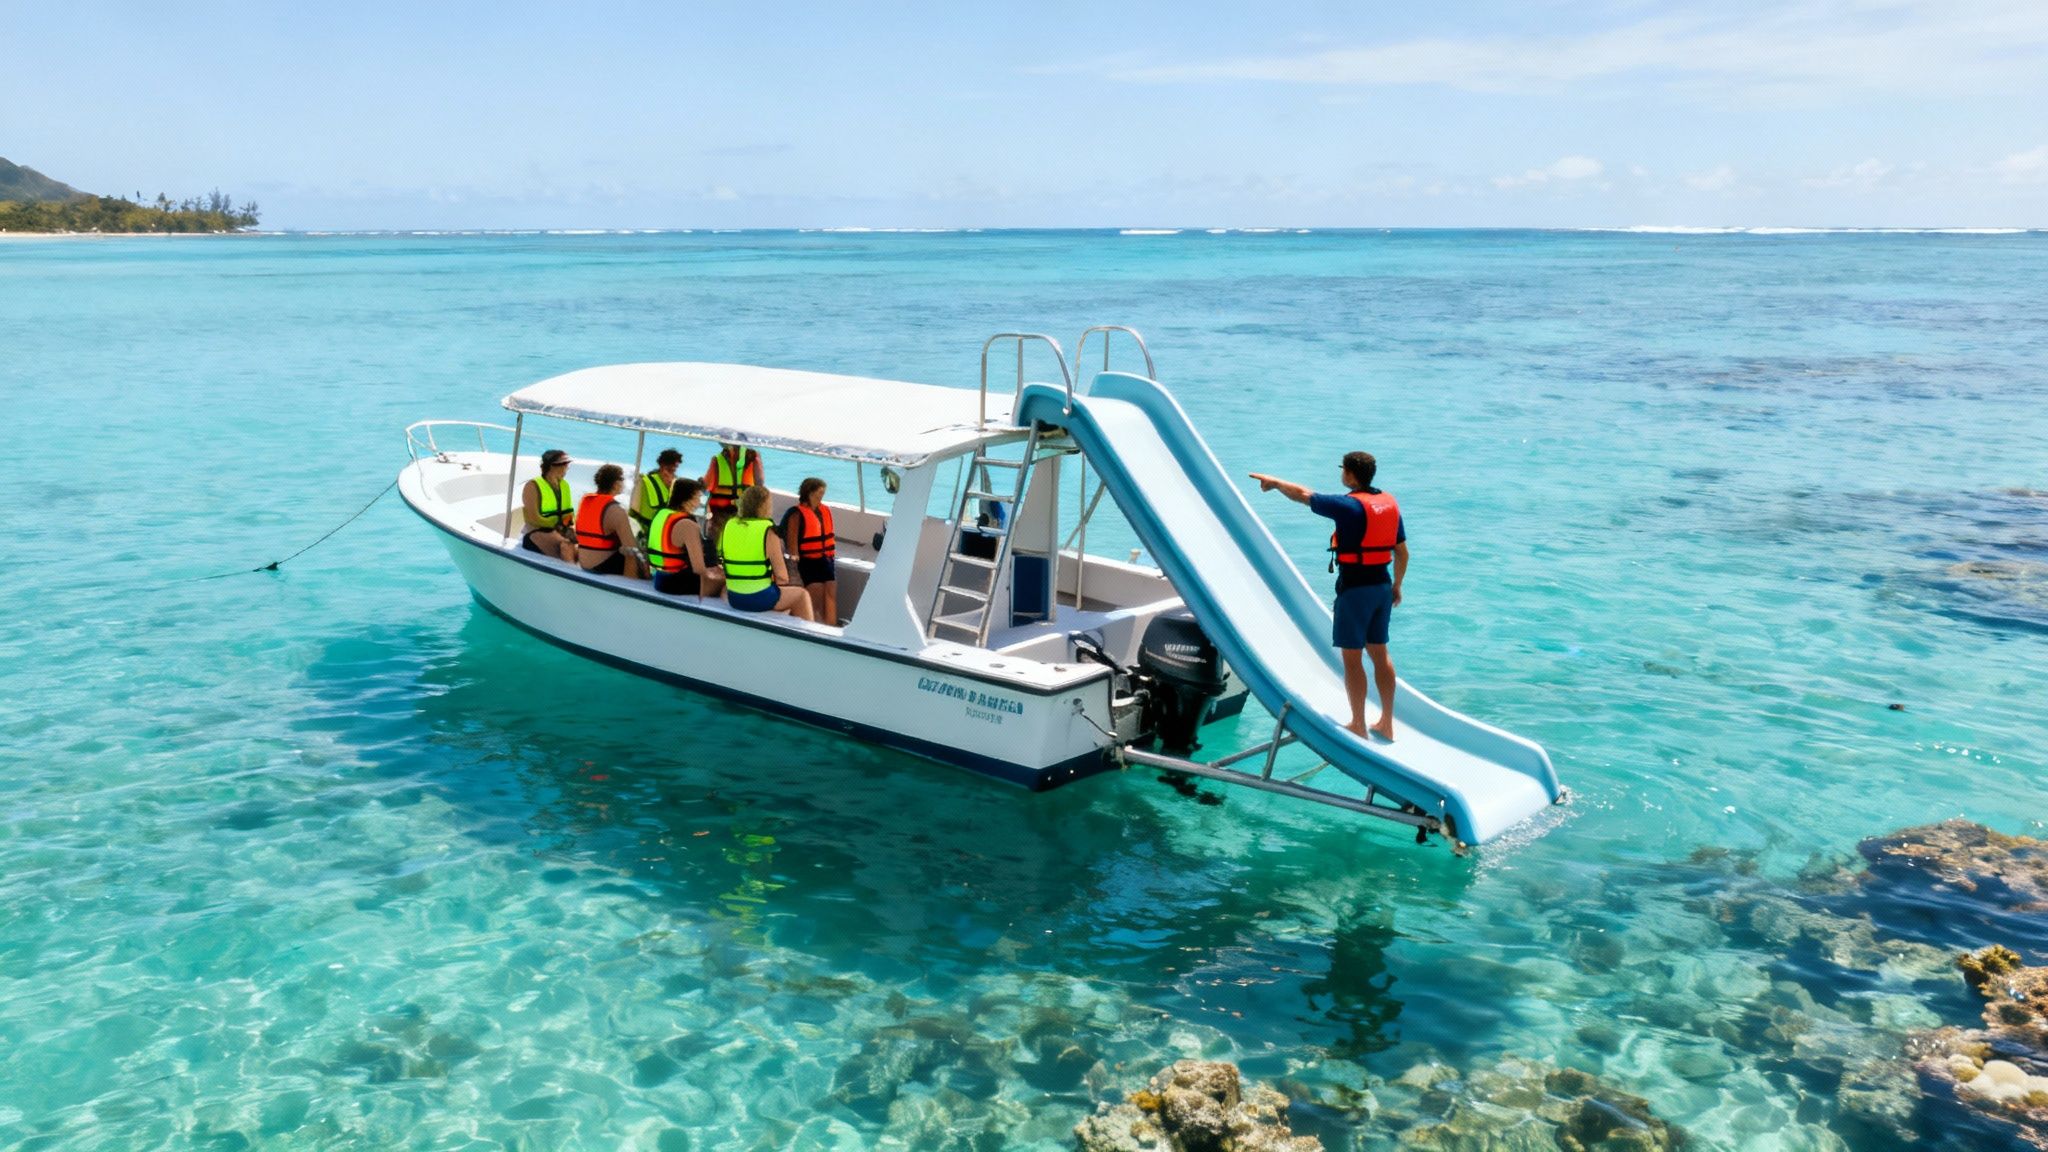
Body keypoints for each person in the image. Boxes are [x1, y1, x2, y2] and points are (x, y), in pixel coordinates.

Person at [1250, 451, 1407, 741]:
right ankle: (1387, 722)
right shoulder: (1388, 504)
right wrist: (1397, 585)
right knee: (1380, 653)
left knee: (1352, 658)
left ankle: (1358, 724)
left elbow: (1303, 494)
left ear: (1349, 474)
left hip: (1355, 592)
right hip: (1382, 588)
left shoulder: (1347, 506)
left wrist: (1274, 482)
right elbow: (1402, 551)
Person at [719, 485, 814, 619]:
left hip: (734, 597)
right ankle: (808, 636)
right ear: (764, 506)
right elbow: (782, 577)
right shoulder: (767, 530)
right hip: (758, 597)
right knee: (801, 595)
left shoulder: (730, 525)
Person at [646, 478, 725, 599]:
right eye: (697, 498)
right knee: (727, 583)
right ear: (686, 499)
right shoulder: (688, 525)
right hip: (676, 585)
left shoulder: (660, 515)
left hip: (659, 578)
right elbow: (699, 569)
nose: (699, 503)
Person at [780, 477, 839, 624]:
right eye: (819, 492)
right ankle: (813, 623)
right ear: (809, 493)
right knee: (816, 592)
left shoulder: (824, 510)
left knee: (831, 589)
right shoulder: (796, 514)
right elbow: (792, 545)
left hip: (826, 559)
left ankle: (831, 626)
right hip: (808, 562)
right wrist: (794, 569)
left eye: (823, 492)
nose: (822, 496)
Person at [573, 463, 646, 578]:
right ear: (616, 484)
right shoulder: (616, 510)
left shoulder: (585, 502)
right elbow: (631, 548)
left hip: (584, 563)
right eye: (622, 479)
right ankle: (630, 588)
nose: (623, 483)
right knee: (636, 553)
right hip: (602, 566)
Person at [519, 449, 577, 561]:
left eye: (567, 465)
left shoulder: (564, 486)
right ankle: (569, 574)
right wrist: (558, 526)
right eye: (564, 464)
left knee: (581, 545)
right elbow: (533, 518)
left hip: (559, 530)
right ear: (552, 466)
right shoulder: (532, 486)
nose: (567, 468)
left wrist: (569, 529)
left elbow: (568, 514)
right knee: (566, 547)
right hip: (535, 532)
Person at [702, 442, 763, 527]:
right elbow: (760, 483)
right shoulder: (754, 456)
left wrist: (701, 484)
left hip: (721, 514)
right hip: (743, 511)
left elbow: (706, 486)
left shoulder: (717, 460)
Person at [632, 448, 683, 535]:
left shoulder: (676, 484)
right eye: (670, 470)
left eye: (674, 470)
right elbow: (634, 507)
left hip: (664, 529)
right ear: (662, 467)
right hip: (645, 528)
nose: (671, 474)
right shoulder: (645, 482)